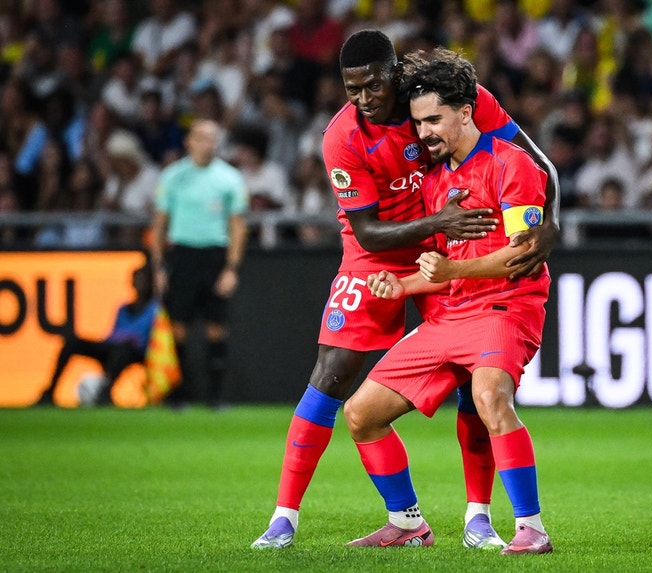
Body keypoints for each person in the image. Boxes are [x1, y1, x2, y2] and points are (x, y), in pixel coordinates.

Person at [251, 30, 559, 550]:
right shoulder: (343, 137)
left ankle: (483, 518)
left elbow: (536, 172)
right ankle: (289, 516)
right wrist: (412, 268)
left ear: (396, 74)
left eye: (372, 86)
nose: (363, 99)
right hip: (388, 247)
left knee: (480, 390)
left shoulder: (465, 112)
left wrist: (549, 223)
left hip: (459, 257)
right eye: (352, 89)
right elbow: (368, 230)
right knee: (335, 375)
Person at [342, 47, 552, 554]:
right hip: (456, 312)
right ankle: (408, 522)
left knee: (489, 397)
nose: (424, 132)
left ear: (465, 112)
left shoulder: (513, 165)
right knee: (360, 413)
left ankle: (532, 528)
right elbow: (444, 270)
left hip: (508, 305)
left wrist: (453, 269)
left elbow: (522, 254)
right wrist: (406, 285)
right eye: (417, 123)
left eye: (434, 119)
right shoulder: (435, 182)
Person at [150, 119, 248, 409]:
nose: (209, 143)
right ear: (189, 141)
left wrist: (231, 268)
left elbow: (237, 226)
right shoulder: (172, 177)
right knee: (178, 327)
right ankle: (179, 394)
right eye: (202, 137)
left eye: (213, 137)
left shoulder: (229, 178)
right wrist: (158, 266)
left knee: (216, 327)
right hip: (183, 255)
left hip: (215, 256)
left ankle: (215, 397)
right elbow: (159, 225)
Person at [38, 263, 159, 406]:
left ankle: (104, 394)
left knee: (123, 350)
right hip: (114, 347)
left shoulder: (155, 309)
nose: (141, 284)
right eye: (137, 279)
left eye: (144, 279)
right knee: (72, 342)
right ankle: (49, 392)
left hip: (137, 352)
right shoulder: (122, 308)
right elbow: (112, 334)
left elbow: (149, 340)